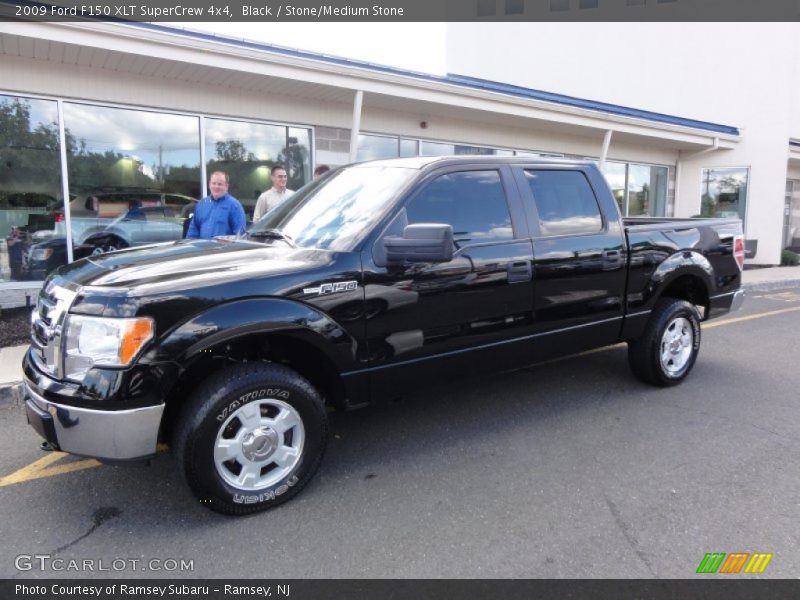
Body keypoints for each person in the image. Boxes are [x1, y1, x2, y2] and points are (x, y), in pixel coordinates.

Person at [186, 171, 246, 239]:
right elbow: (193, 232)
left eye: (220, 184)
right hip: (203, 248)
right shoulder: (201, 204)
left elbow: (240, 236)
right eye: (214, 183)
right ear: (209, 184)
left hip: (225, 249)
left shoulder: (235, 206)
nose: (216, 187)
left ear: (226, 186)